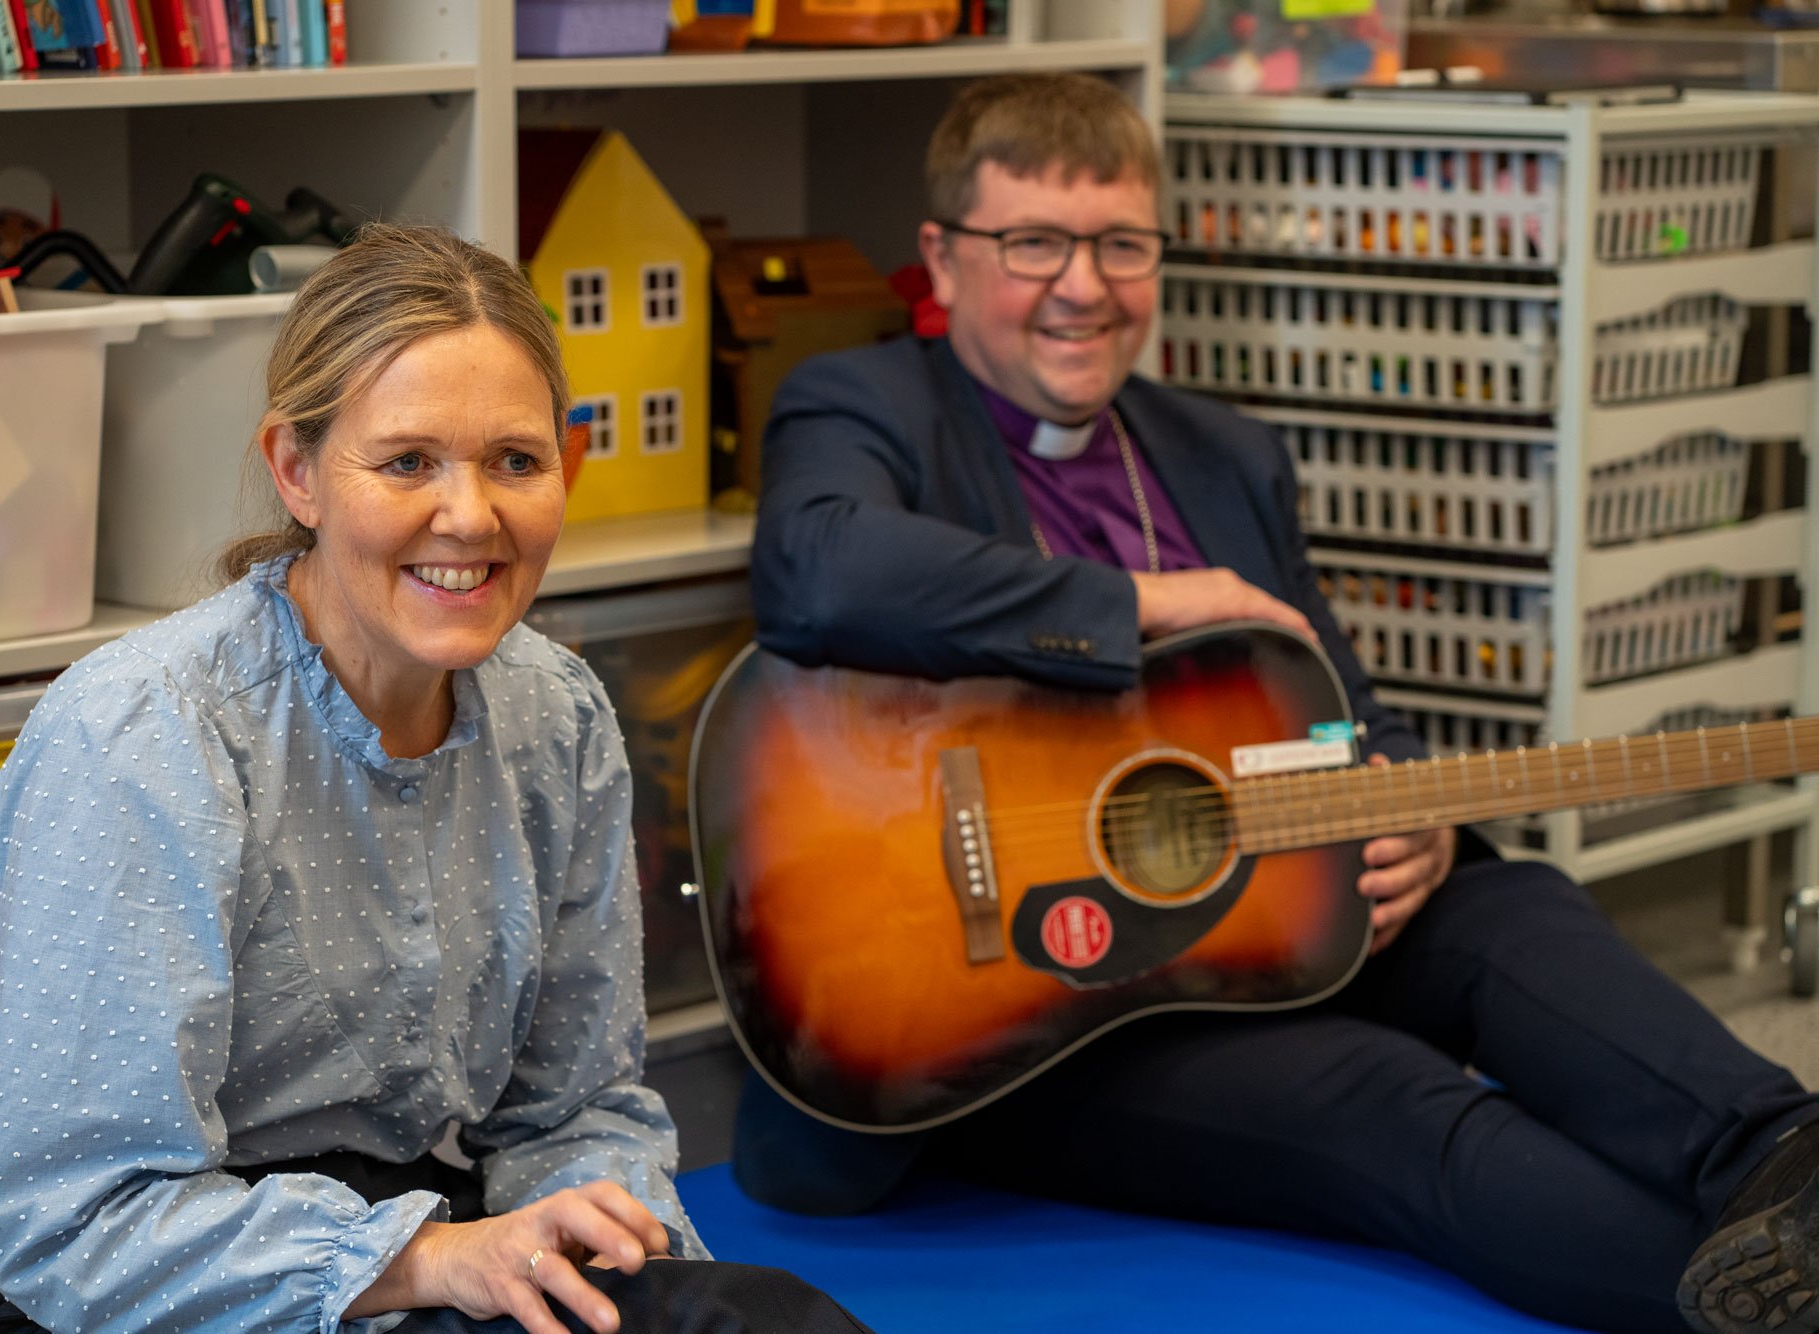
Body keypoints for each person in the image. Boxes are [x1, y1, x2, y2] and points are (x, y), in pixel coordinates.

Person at [735, 72, 1819, 1334]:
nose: (1081, 286)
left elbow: (1339, 706)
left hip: (1263, 926)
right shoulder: (864, 404)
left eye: (1120, 244)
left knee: (1511, 902)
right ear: (941, 254)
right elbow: (817, 562)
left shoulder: (1221, 450)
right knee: (1391, 1097)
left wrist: (1400, 801)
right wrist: (1142, 602)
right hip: (1026, 1024)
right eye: (1032, 242)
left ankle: (1784, 1154)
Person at [0, 224, 872, 1334]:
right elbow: (78, 1222)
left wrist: (620, 1252)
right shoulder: (148, 731)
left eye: (515, 461)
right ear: (295, 471)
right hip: (99, 1279)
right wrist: (435, 1258)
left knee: (752, 1316)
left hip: (407, 1227)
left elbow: (571, 1106)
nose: (471, 515)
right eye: (407, 461)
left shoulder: (557, 711)